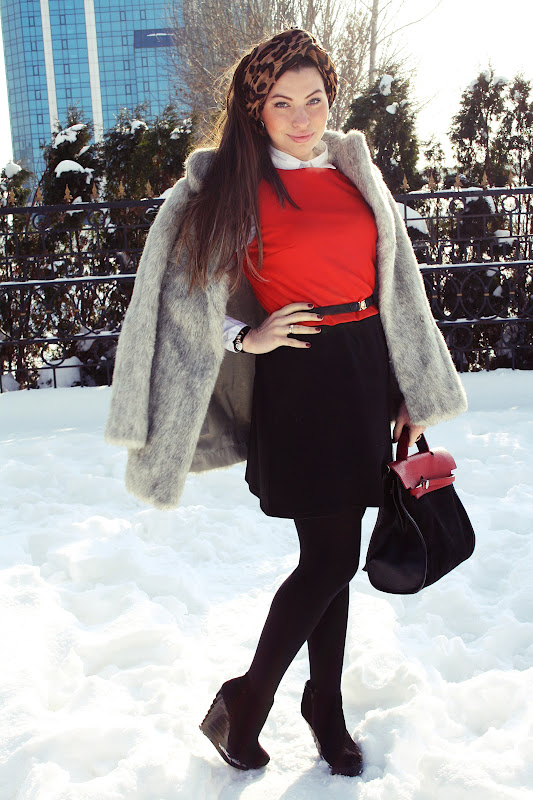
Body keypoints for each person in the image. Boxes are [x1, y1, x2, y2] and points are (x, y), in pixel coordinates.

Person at [106, 29, 467, 778]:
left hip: (365, 370)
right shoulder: (230, 187)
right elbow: (184, 299)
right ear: (254, 109)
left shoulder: (352, 172)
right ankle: (252, 700)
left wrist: (409, 385)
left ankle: (320, 705)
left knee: (331, 555)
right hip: (299, 379)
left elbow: (398, 288)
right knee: (331, 555)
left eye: (315, 99)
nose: (303, 118)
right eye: (282, 103)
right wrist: (246, 336)